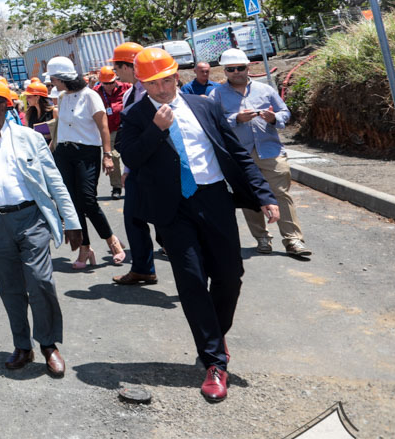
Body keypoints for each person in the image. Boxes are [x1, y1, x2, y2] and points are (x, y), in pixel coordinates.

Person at [117, 48, 279, 403]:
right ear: (141, 84)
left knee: (230, 276)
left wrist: (264, 195)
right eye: (152, 84)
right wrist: (156, 130)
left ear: (177, 76)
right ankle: (214, 362)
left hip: (214, 199)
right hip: (173, 209)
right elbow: (131, 157)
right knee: (191, 280)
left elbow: (237, 153)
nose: (161, 89)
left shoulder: (205, 106)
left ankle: (215, 335)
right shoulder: (135, 116)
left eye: (166, 80)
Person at [0, 78, 82, 376]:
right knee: (10, 288)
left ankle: (48, 344)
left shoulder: (29, 138)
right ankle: (22, 345)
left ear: (4, 106)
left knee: (40, 281)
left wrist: (71, 221)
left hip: (30, 219)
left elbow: (54, 181)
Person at [213, 49, 312, 259]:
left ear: (248, 67)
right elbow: (213, 122)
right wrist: (236, 119)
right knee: (249, 196)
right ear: (225, 71)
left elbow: (284, 112)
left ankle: (293, 240)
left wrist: (273, 118)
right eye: (231, 69)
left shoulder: (265, 90)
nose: (236, 72)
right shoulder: (217, 95)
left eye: (240, 68)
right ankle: (262, 237)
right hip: (240, 154)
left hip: (270, 151)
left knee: (281, 194)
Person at [46, 56, 124, 269]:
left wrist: (107, 155)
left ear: (63, 78)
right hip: (64, 153)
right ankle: (85, 247)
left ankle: (111, 240)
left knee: (88, 200)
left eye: (53, 79)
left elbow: (104, 127)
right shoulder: (62, 97)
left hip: (86, 152)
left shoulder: (90, 96)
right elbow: (61, 126)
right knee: (72, 202)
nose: (52, 83)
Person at [107, 42, 159, 287]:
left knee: (170, 222)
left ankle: (194, 272)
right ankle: (143, 268)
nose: (115, 73)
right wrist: (127, 169)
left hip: (159, 167)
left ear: (129, 66)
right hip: (138, 167)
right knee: (133, 217)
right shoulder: (130, 94)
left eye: (117, 67)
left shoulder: (156, 90)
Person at [94, 66, 127, 197]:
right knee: (112, 156)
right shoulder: (95, 92)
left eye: (111, 82)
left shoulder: (126, 87)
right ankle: (116, 187)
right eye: (105, 83)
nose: (108, 86)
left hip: (125, 127)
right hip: (109, 130)